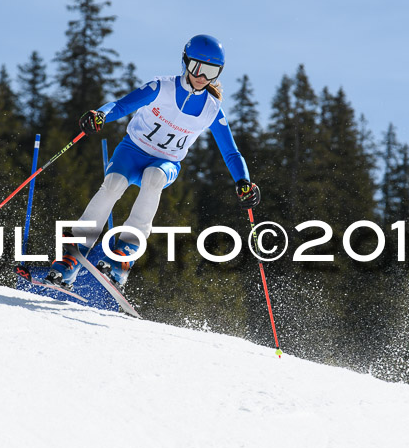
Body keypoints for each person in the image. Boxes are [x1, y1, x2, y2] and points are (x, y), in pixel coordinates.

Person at [46, 34, 260, 288]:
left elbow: (231, 153)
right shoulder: (162, 88)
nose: (202, 77)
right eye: (197, 67)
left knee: (154, 177)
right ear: (186, 62)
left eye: (211, 71)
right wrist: (100, 114)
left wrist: (243, 182)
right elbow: (121, 105)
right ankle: (74, 253)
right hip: (132, 151)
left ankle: (126, 251)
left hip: (166, 162)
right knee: (113, 184)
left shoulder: (212, 109)